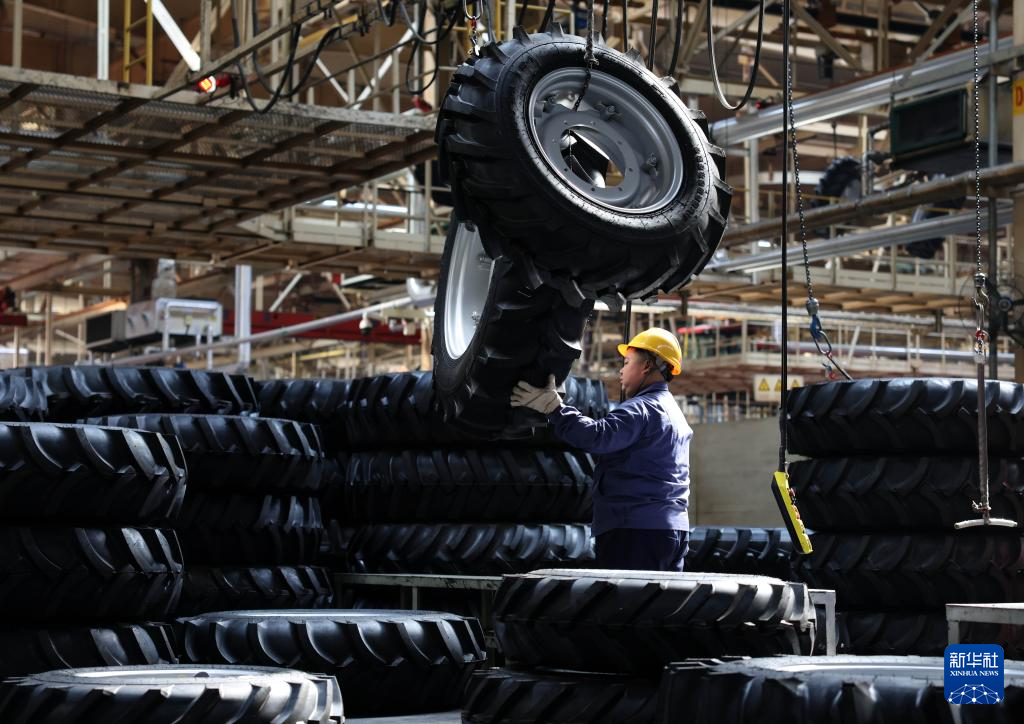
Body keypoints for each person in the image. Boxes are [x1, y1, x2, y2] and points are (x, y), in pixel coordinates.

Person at [510, 327, 691, 572]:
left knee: (626, 607)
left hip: (635, 531)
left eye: (627, 362)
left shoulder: (641, 408)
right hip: (673, 531)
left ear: (647, 366)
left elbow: (597, 436)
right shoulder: (674, 413)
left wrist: (554, 408)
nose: (621, 370)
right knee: (658, 606)